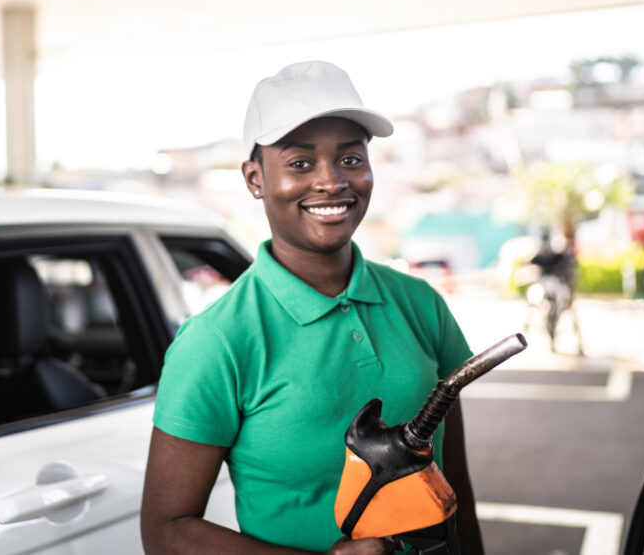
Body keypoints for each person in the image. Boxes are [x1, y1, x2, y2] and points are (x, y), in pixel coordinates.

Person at [141, 61, 484, 554]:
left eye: (349, 159)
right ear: (255, 179)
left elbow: (455, 490)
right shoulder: (217, 342)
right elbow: (165, 531)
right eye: (300, 163)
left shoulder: (421, 304)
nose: (331, 182)